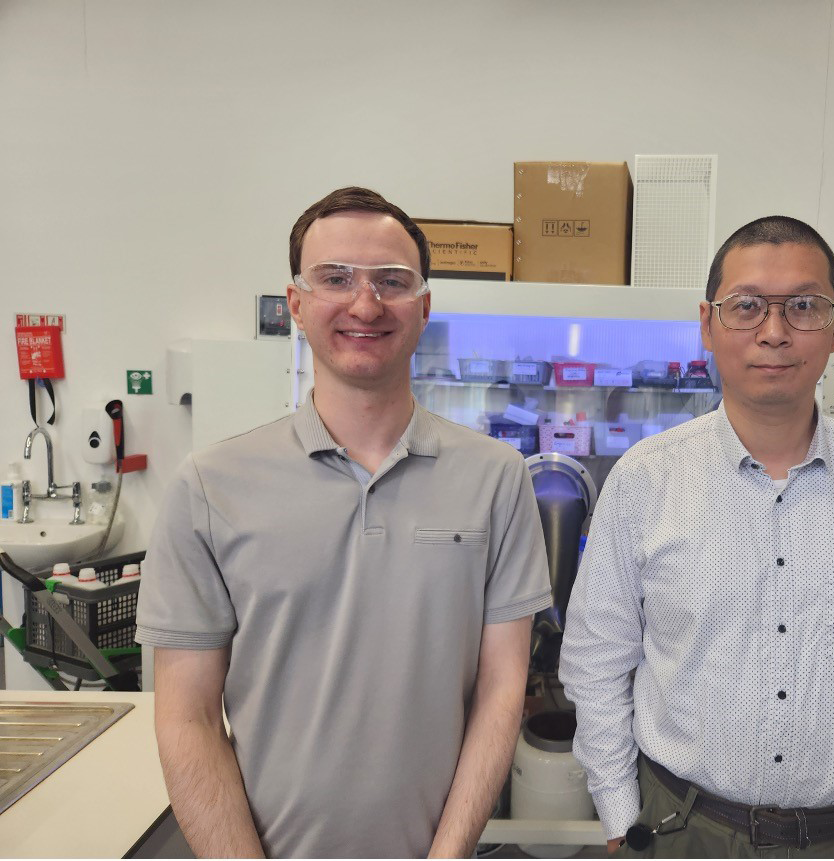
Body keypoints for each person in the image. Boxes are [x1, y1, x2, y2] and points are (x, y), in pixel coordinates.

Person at [136, 187, 552, 858]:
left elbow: (501, 691)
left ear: (424, 307)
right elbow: (187, 717)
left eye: (392, 280)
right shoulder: (211, 485)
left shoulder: (496, 477)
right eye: (335, 278)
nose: (365, 304)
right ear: (295, 304)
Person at [558, 216, 834, 858]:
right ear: (707, 323)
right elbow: (597, 657)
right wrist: (618, 813)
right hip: (680, 830)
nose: (774, 332)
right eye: (746, 306)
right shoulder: (645, 478)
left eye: (803, 306)